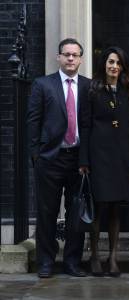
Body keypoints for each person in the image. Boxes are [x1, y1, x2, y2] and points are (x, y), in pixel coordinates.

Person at [27, 38, 91, 278]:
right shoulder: (43, 85)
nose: (71, 59)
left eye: (75, 55)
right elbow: (33, 121)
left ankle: (72, 262)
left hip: (79, 160)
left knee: (76, 213)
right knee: (47, 212)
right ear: (59, 57)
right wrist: (36, 155)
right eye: (66, 54)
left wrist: (88, 159)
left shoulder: (88, 86)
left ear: (81, 59)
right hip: (50, 159)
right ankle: (46, 261)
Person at [79, 46, 129, 277]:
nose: (114, 66)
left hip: (121, 157)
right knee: (98, 208)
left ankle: (112, 258)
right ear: (104, 64)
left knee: (115, 209)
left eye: (118, 63)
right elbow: (85, 125)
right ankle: (94, 256)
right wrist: (84, 159)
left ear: (123, 67)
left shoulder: (127, 91)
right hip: (98, 156)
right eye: (111, 62)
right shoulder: (92, 90)